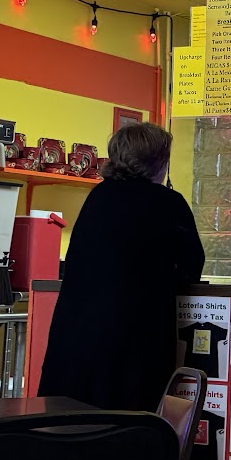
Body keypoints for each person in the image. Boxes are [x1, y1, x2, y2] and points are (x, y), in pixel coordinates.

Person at [38, 121, 204, 411]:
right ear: (158, 162)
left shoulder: (98, 196)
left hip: (77, 336)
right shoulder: (168, 203)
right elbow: (192, 267)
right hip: (133, 339)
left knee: (73, 421)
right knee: (128, 423)